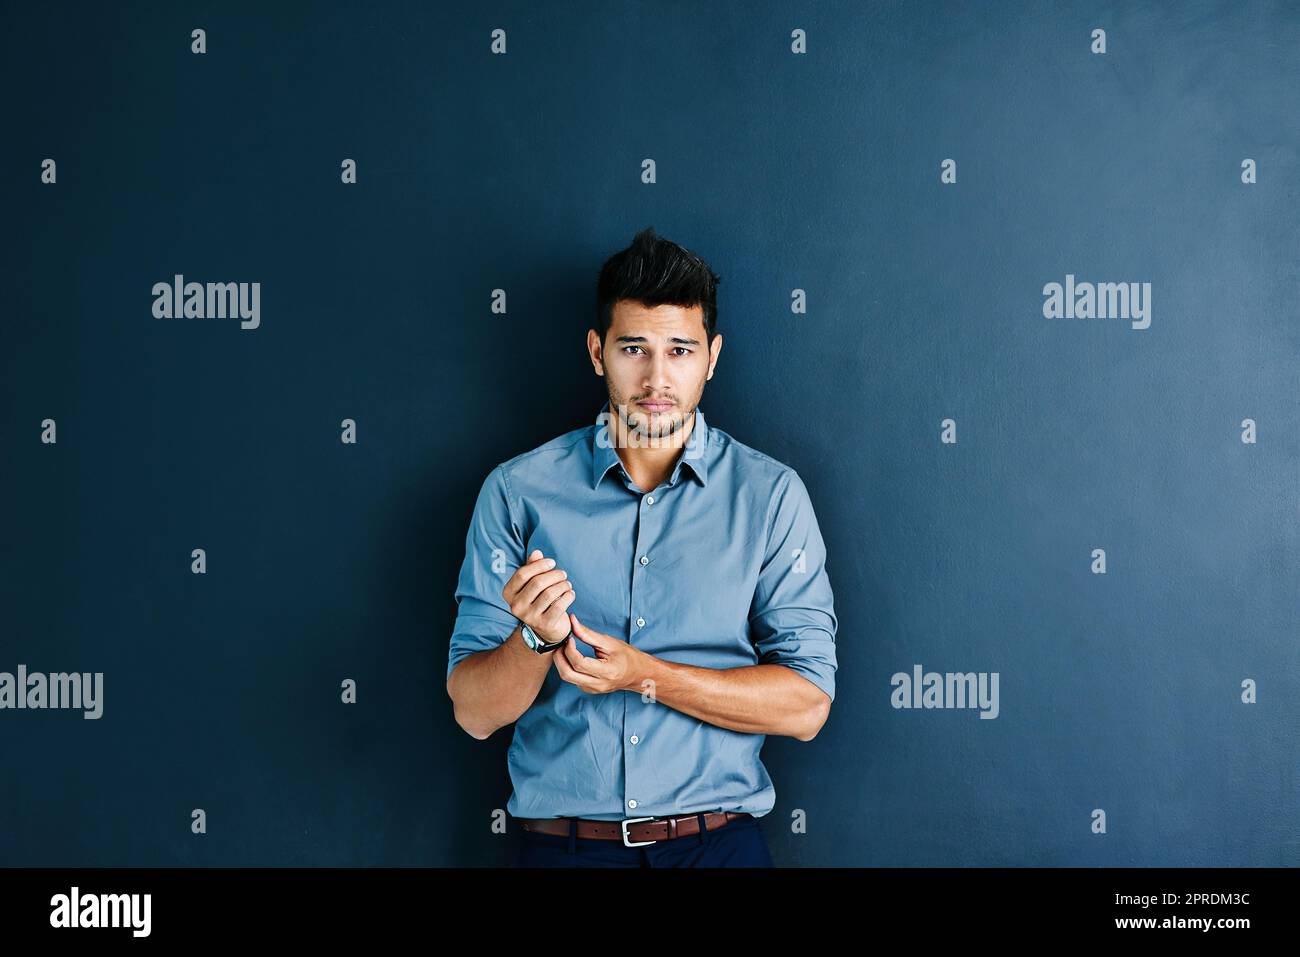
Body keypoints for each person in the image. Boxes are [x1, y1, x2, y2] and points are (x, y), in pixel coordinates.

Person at [445, 227, 838, 867]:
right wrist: (533, 643)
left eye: (680, 350)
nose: (657, 379)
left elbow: (806, 707)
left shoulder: (771, 497)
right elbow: (474, 713)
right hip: (561, 850)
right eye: (635, 348)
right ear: (598, 352)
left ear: (712, 357)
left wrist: (644, 676)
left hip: (718, 849)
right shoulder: (517, 492)